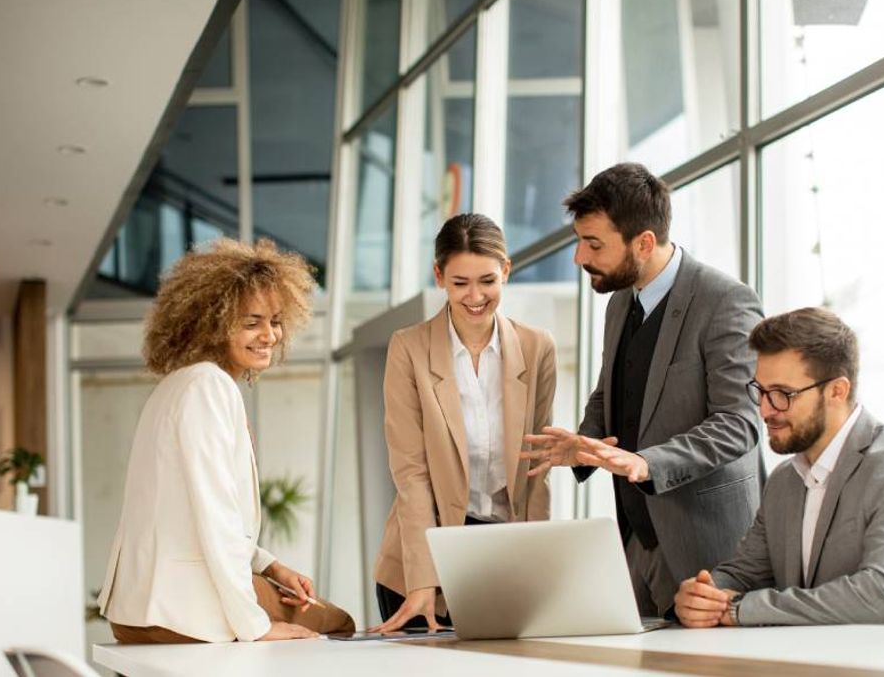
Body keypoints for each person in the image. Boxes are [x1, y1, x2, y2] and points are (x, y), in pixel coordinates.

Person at [521, 162, 763, 618]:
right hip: (636, 539)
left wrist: (646, 462)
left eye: (593, 244)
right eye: (579, 241)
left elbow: (740, 423)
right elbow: (610, 388)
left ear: (644, 242)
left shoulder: (725, 301)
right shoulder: (619, 303)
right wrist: (584, 442)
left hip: (708, 548)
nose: (579, 258)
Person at [97, 238, 354, 643]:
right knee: (338, 622)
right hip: (181, 610)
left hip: (137, 610)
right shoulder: (208, 386)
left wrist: (270, 567)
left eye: (275, 320)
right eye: (251, 322)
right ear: (211, 323)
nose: (268, 335)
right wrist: (256, 626)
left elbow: (188, 512)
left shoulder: (177, 386)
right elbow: (214, 515)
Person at [673, 307, 884, 627]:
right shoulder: (785, 480)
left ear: (837, 391)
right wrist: (704, 595)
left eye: (783, 394)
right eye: (761, 391)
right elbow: (744, 572)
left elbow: (881, 598)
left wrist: (738, 609)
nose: (766, 410)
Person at [371, 213, 557, 632]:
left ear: (506, 271)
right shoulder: (409, 349)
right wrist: (423, 581)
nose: (476, 296)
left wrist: (538, 568)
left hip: (502, 554)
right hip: (423, 559)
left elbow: (537, 468)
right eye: (460, 283)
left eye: (487, 281)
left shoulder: (537, 347)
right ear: (439, 276)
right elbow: (411, 474)